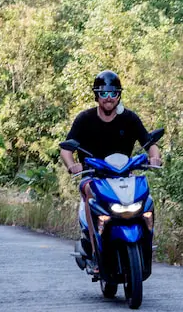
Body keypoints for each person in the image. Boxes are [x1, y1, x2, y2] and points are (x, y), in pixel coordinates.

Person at [60, 70, 161, 276]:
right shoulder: (85, 119)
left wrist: (155, 157)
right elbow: (66, 149)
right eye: (103, 93)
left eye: (113, 93)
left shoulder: (129, 118)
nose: (108, 98)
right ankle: (97, 250)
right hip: (94, 176)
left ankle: (145, 240)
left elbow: (149, 142)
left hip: (124, 175)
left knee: (146, 196)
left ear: (119, 95)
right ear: (96, 95)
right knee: (88, 191)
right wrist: (72, 165)